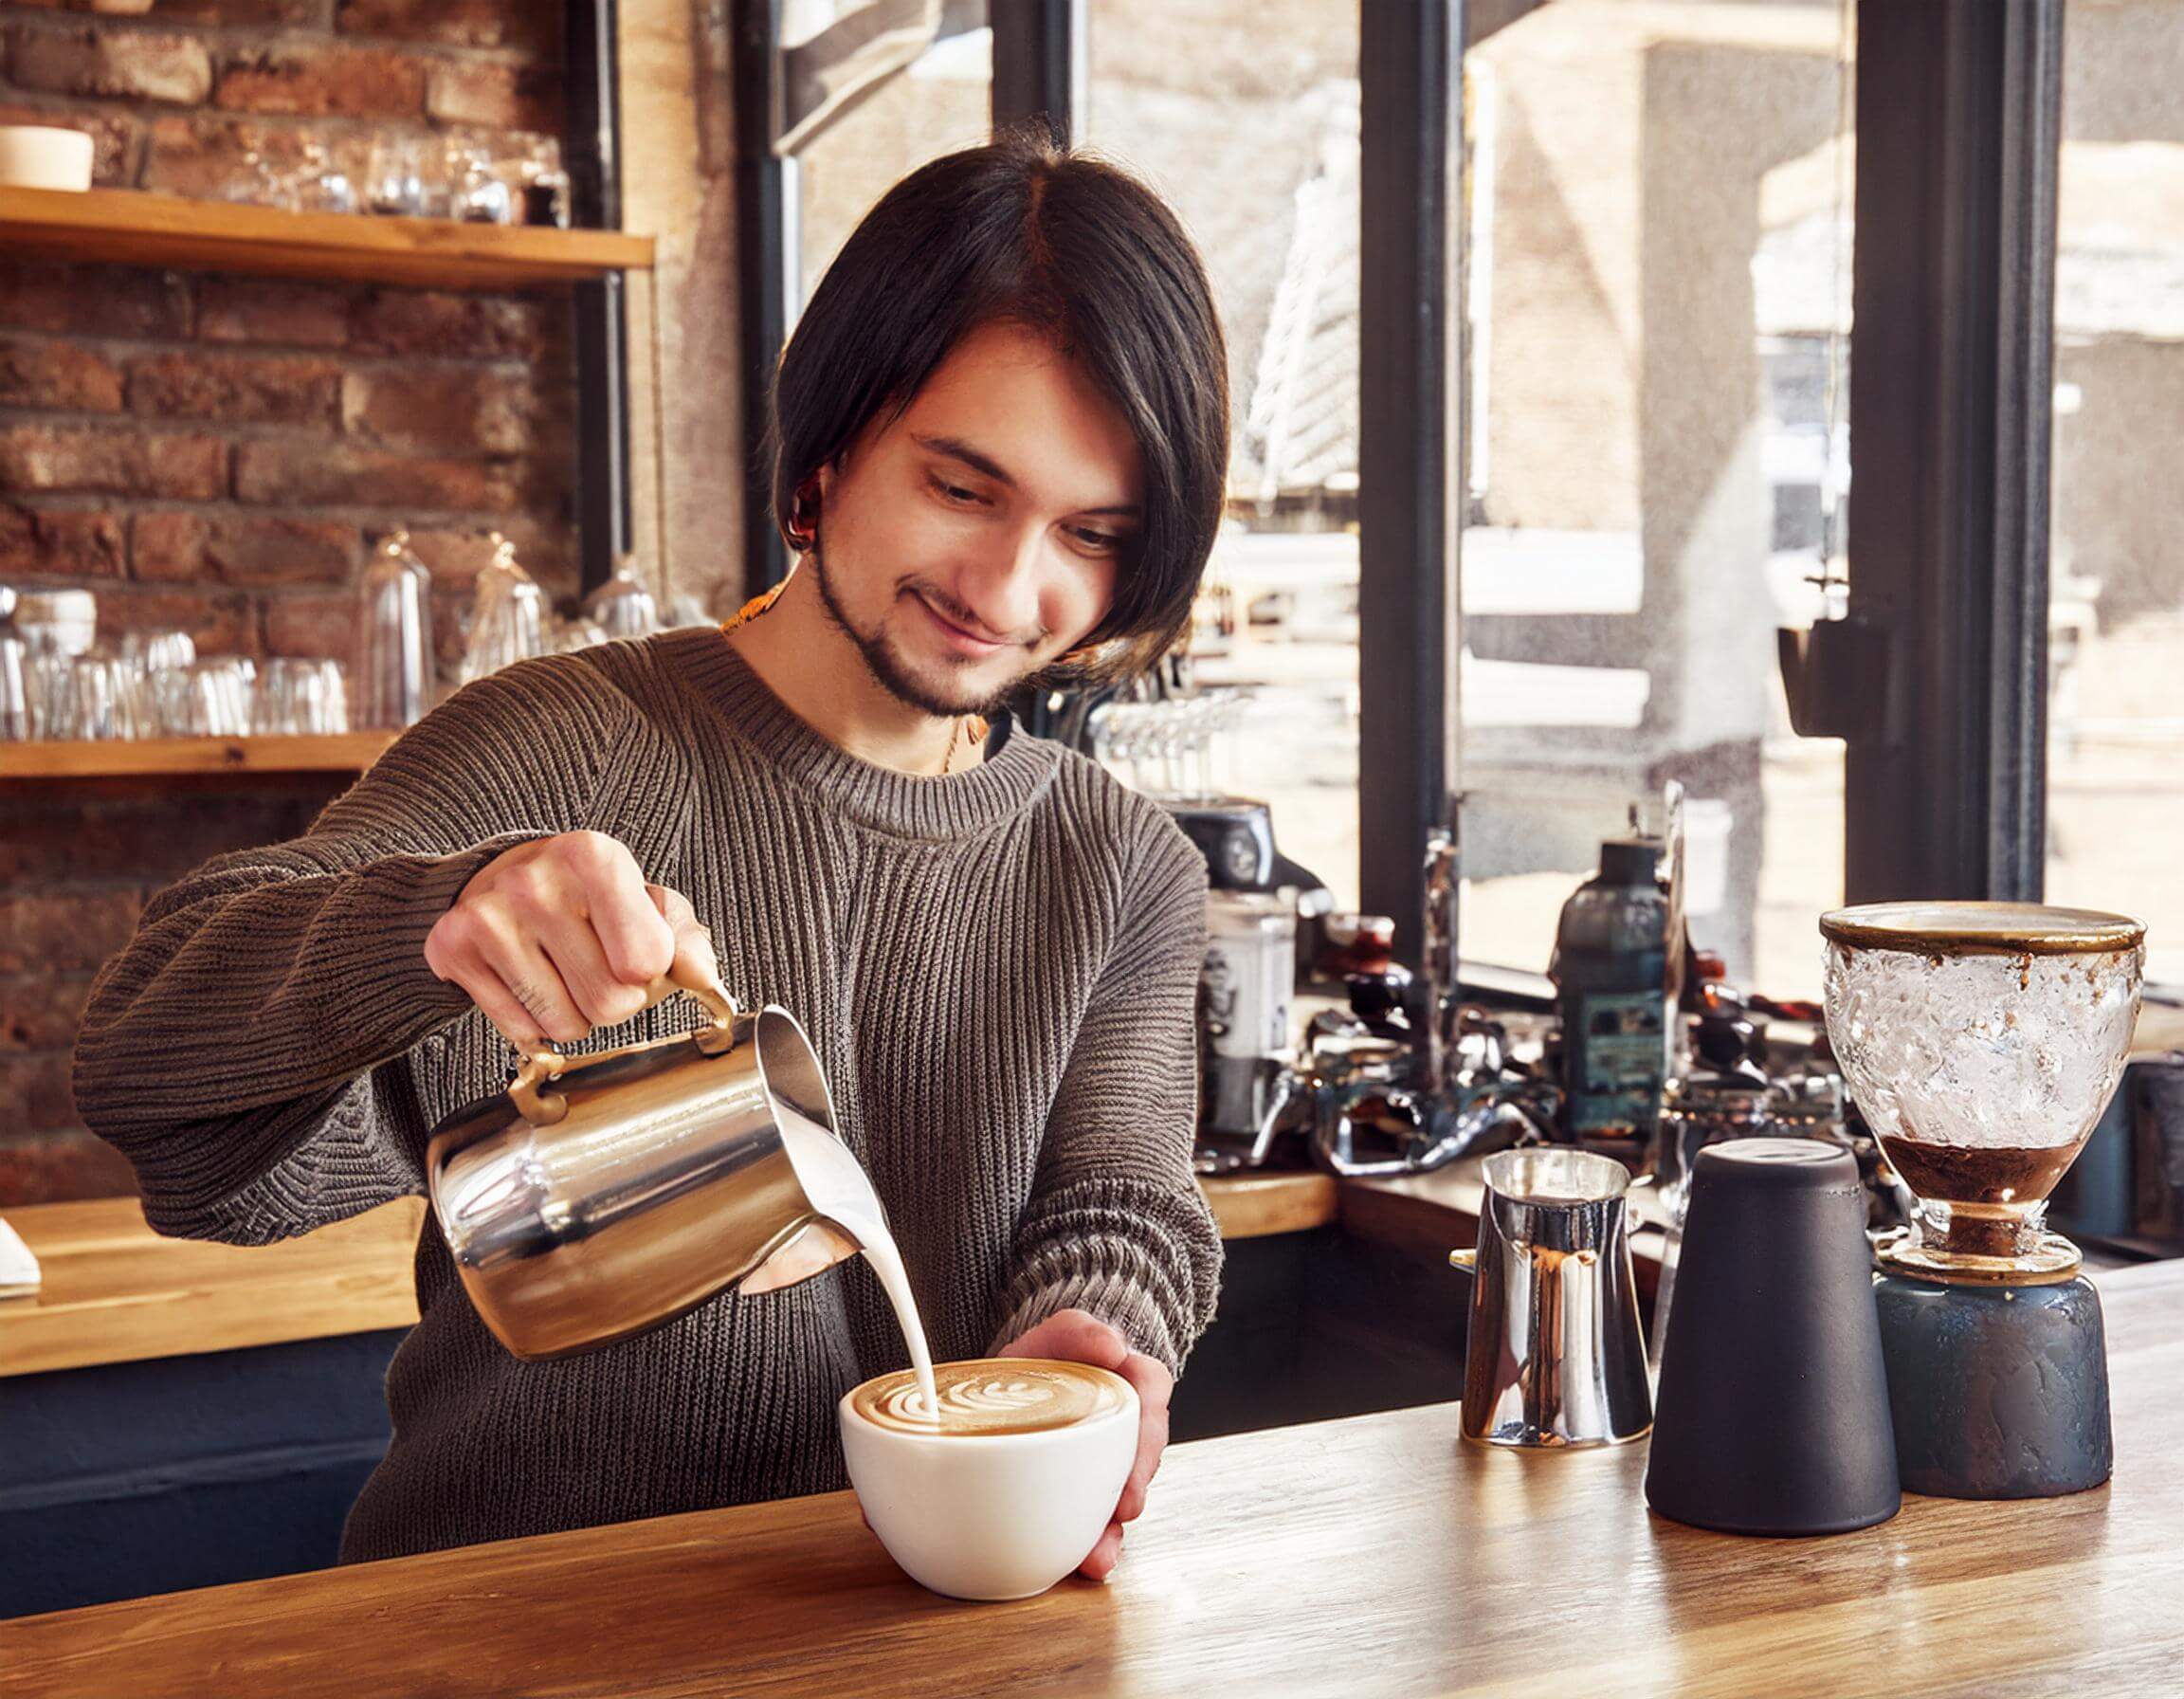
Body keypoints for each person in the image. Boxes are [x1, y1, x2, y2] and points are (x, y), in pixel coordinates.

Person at [72, 130, 1231, 1580]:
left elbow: (1119, 1196)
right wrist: (428, 925)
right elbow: (150, 1083)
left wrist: (1093, 1340)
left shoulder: (1116, 862)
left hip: (918, 1640)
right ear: (834, 437)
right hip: (523, 1629)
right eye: (962, 488)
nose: (1012, 589)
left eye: (1094, 532)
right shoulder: (570, 747)